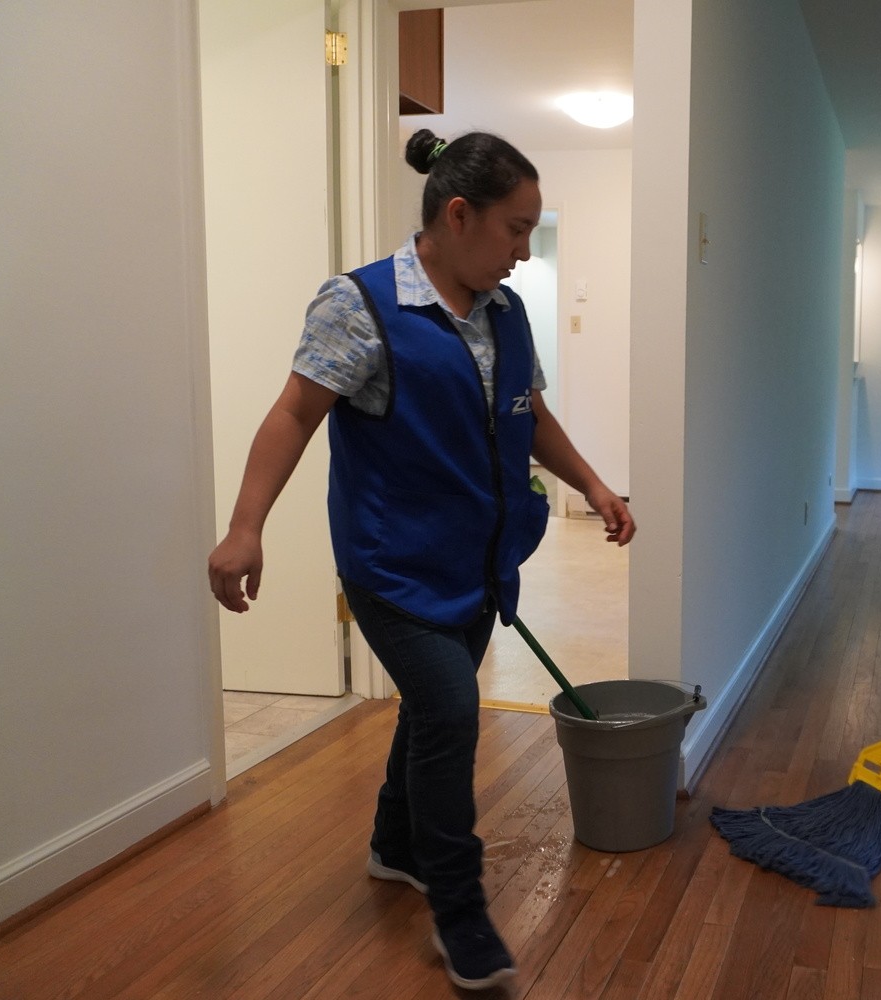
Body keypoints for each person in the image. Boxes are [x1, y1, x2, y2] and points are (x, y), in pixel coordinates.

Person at [208, 129, 634, 990]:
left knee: (428, 713)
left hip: (481, 565)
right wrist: (245, 526)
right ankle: (459, 907)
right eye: (516, 229)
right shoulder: (359, 306)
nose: (524, 250)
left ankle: (394, 846)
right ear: (458, 213)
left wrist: (592, 482)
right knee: (449, 711)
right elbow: (294, 413)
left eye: (532, 231)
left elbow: (530, 413)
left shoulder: (505, 313)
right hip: (392, 566)